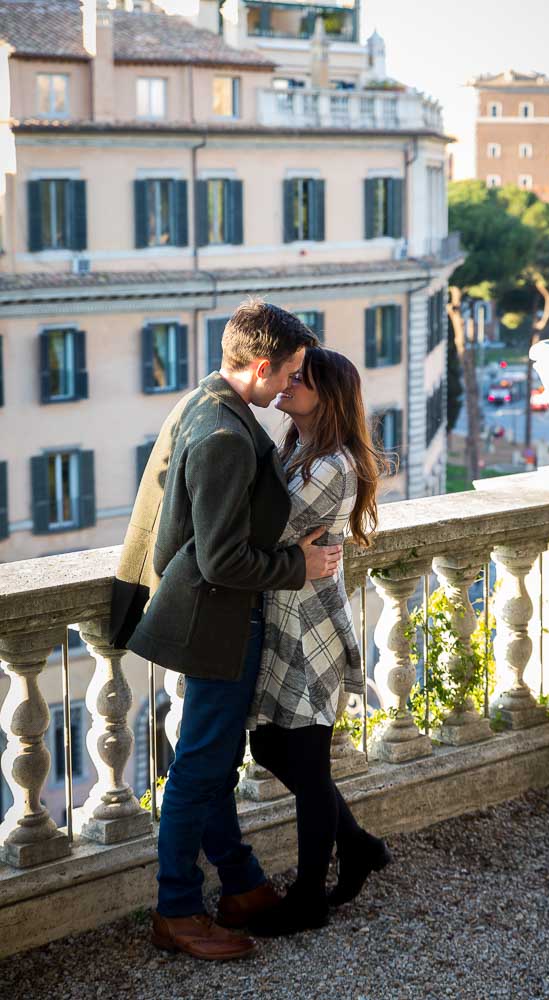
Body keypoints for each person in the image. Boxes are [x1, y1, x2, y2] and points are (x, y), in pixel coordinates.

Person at [110, 301, 343, 962]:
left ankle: (238, 882)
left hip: (211, 620)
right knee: (198, 771)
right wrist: (297, 565)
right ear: (263, 366)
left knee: (208, 762)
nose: (292, 385)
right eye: (291, 372)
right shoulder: (223, 435)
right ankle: (177, 910)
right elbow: (221, 559)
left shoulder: (206, 402)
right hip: (214, 624)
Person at [237, 346, 391, 938]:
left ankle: (308, 898)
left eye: (299, 378)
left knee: (301, 756)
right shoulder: (298, 448)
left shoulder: (335, 465)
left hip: (311, 629)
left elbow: (264, 528)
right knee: (276, 750)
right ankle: (354, 845)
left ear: (326, 395)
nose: (286, 381)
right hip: (286, 618)